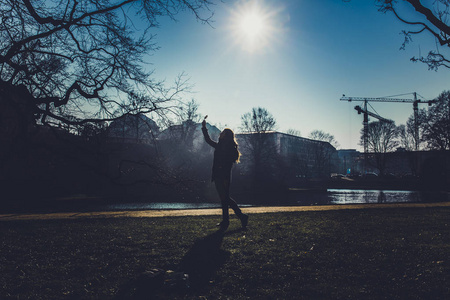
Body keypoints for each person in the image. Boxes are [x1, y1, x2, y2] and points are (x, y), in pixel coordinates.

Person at [201, 118, 249, 231]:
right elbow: (208, 140)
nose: (220, 133)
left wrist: (221, 168)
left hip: (224, 176)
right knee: (224, 199)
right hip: (219, 175)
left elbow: (228, 162)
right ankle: (227, 221)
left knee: (225, 198)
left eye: (223, 132)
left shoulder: (229, 148)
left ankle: (241, 216)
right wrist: (204, 128)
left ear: (226, 135)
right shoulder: (221, 145)